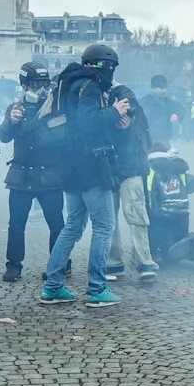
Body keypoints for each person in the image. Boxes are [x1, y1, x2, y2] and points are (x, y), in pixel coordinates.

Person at [39, 44, 130, 308]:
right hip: (91, 165)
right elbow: (86, 122)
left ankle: (53, 285)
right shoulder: (89, 86)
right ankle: (97, 289)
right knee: (103, 226)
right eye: (109, 66)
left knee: (73, 225)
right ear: (99, 65)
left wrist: (113, 122)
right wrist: (115, 111)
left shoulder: (68, 83)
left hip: (70, 165)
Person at [0, 61, 66, 282]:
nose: (39, 89)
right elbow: (3, 136)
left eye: (43, 84)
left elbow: (56, 139)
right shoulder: (16, 108)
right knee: (16, 224)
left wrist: (36, 116)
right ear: (25, 85)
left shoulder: (55, 108)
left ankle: (60, 264)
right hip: (21, 174)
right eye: (34, 84)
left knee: (56, 223)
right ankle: (13, 265)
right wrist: (12, 121)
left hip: (49, 176)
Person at [105, 81, 158, 281]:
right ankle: (114, 262)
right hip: (110, 168)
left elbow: (132, 107)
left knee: (135, 215)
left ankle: (144, 262)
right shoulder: (97, 98)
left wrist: (126, 120)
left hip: (130, 168)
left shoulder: (123, 94)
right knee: (109, 220)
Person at [140, 74, 184, 147]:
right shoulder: (143, 102)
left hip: (164, 140)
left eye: (165, 88)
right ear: (153, 88)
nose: (164, 91)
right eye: (161, 88)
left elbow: (181, 109)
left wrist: (177, 114)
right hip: (147, 140)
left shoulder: (168, 102)